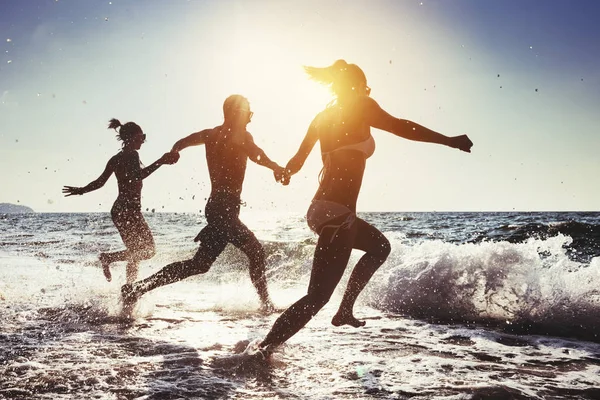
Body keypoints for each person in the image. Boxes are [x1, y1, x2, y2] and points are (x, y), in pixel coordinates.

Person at [255, 59, 473, 353]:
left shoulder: (322, 116)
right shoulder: (361, 105)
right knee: (317, 297)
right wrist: (447, 140)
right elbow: (400, 127)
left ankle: (344, 311)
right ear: (357, 84)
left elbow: (297, 160)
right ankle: (263, 349)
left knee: (379, 247)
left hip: (322, 209)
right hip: (337, 213)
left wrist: (284, 172)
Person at [121, 95, 286, 312]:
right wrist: (276, 167)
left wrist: (175, 151)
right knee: (255, 252)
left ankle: (137, 289)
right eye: (248, 114)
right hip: (224, 209)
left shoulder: (210, 135)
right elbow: (257, 154)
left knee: (199, 265)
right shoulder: (241, 136)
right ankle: (266, 305)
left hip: (217, 207)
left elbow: (184, 141)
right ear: (236, 113)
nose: (250, 119)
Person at [63, 119, 179, 283]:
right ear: (130, 138)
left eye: (143, 137)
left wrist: (81, 190)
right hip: (128, 210)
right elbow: (138, 176)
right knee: (149, 251)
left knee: (134, 252)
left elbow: (100, 182)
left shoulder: (115, 158)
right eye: (140, 137)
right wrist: (161, 161)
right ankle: (109, 259)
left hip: (120, 210)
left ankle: (129, 288)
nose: (142, 141)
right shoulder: (132, 155)